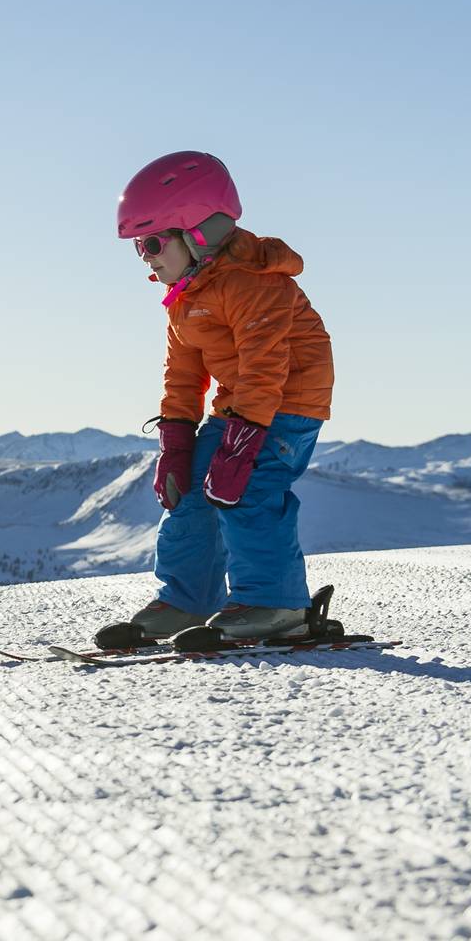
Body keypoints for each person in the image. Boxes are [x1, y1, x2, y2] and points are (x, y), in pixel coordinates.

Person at [113, 152, 334, 643]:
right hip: (242, 405)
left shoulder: (254, 284)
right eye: (137, 248)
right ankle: (188, 599)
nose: (146, 257)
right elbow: (183, 373)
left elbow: (265, 365)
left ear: (200, 233)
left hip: (287, 404)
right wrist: (176, 442)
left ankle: (276, 604)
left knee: (248, 490)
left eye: (151, 243)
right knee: (193, 491)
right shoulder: (186, 297)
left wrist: (244, 441)